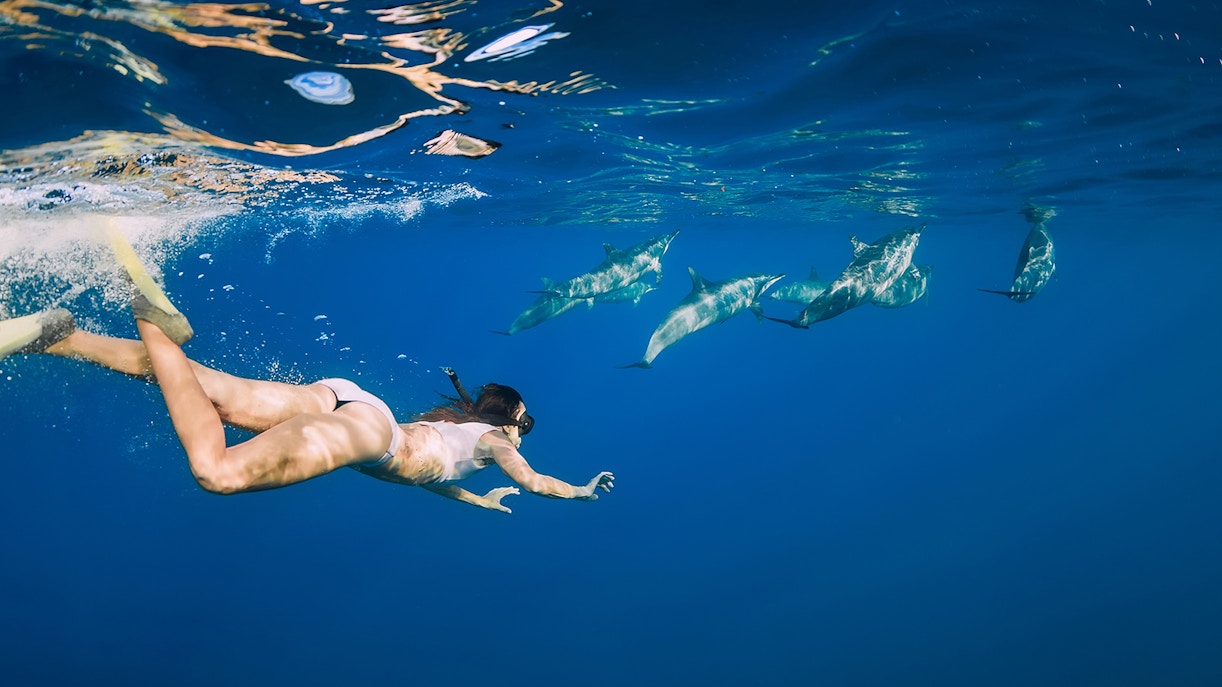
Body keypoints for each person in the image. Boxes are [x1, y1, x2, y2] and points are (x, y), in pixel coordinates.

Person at [0, 237, 614, 514]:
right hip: (370, 437)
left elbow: (430, 478)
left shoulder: (459, 433)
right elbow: (534, 483)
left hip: (347, 400)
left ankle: (59, 337)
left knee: (208, 393)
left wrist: (473, 500)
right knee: (216, 472)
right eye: (524, 423)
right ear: (510, 423)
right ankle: (153, 322)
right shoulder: (494, 444)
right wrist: (579, 490)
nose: (523, 433)